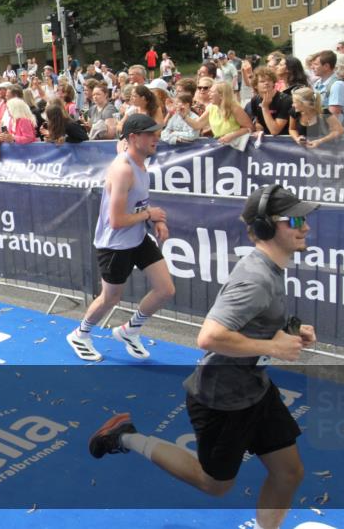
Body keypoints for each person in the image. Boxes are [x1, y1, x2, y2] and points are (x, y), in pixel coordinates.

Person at [88, 185, 318, 529]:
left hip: (254, 388)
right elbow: (208, 337)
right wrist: (273, 347)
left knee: (288, 473)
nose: (305, 227)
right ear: (269, 227)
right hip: (221, 398)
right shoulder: (255, 278)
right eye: (295, 219)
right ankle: (124, 436)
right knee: (215, 483)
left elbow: (249, 323)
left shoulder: (270, 268)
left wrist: (286, 332)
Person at [66, 114, 174, 362]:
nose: (156, 138)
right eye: (150, 134)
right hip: (114, 244)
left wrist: (156, 220)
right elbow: (116, 221)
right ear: (134, 138)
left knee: (165, 289)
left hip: (136, 238)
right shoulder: (123, 170)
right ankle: (80, 334)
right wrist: (150, 214)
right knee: (110, 298)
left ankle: (130, 330)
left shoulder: (138, 158)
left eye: (157, 133)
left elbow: (138, 203)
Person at [245, 67, 292, 136]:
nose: (266, 83)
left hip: (284, 141)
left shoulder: (285, 100)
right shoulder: (255, 100)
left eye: (269, 80)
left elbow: (275, 131)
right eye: (262, 81)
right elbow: (258, 121)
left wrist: (265, 107)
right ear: (255, 86)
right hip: (266, 140)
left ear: (273, 83)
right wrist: (258, 128)